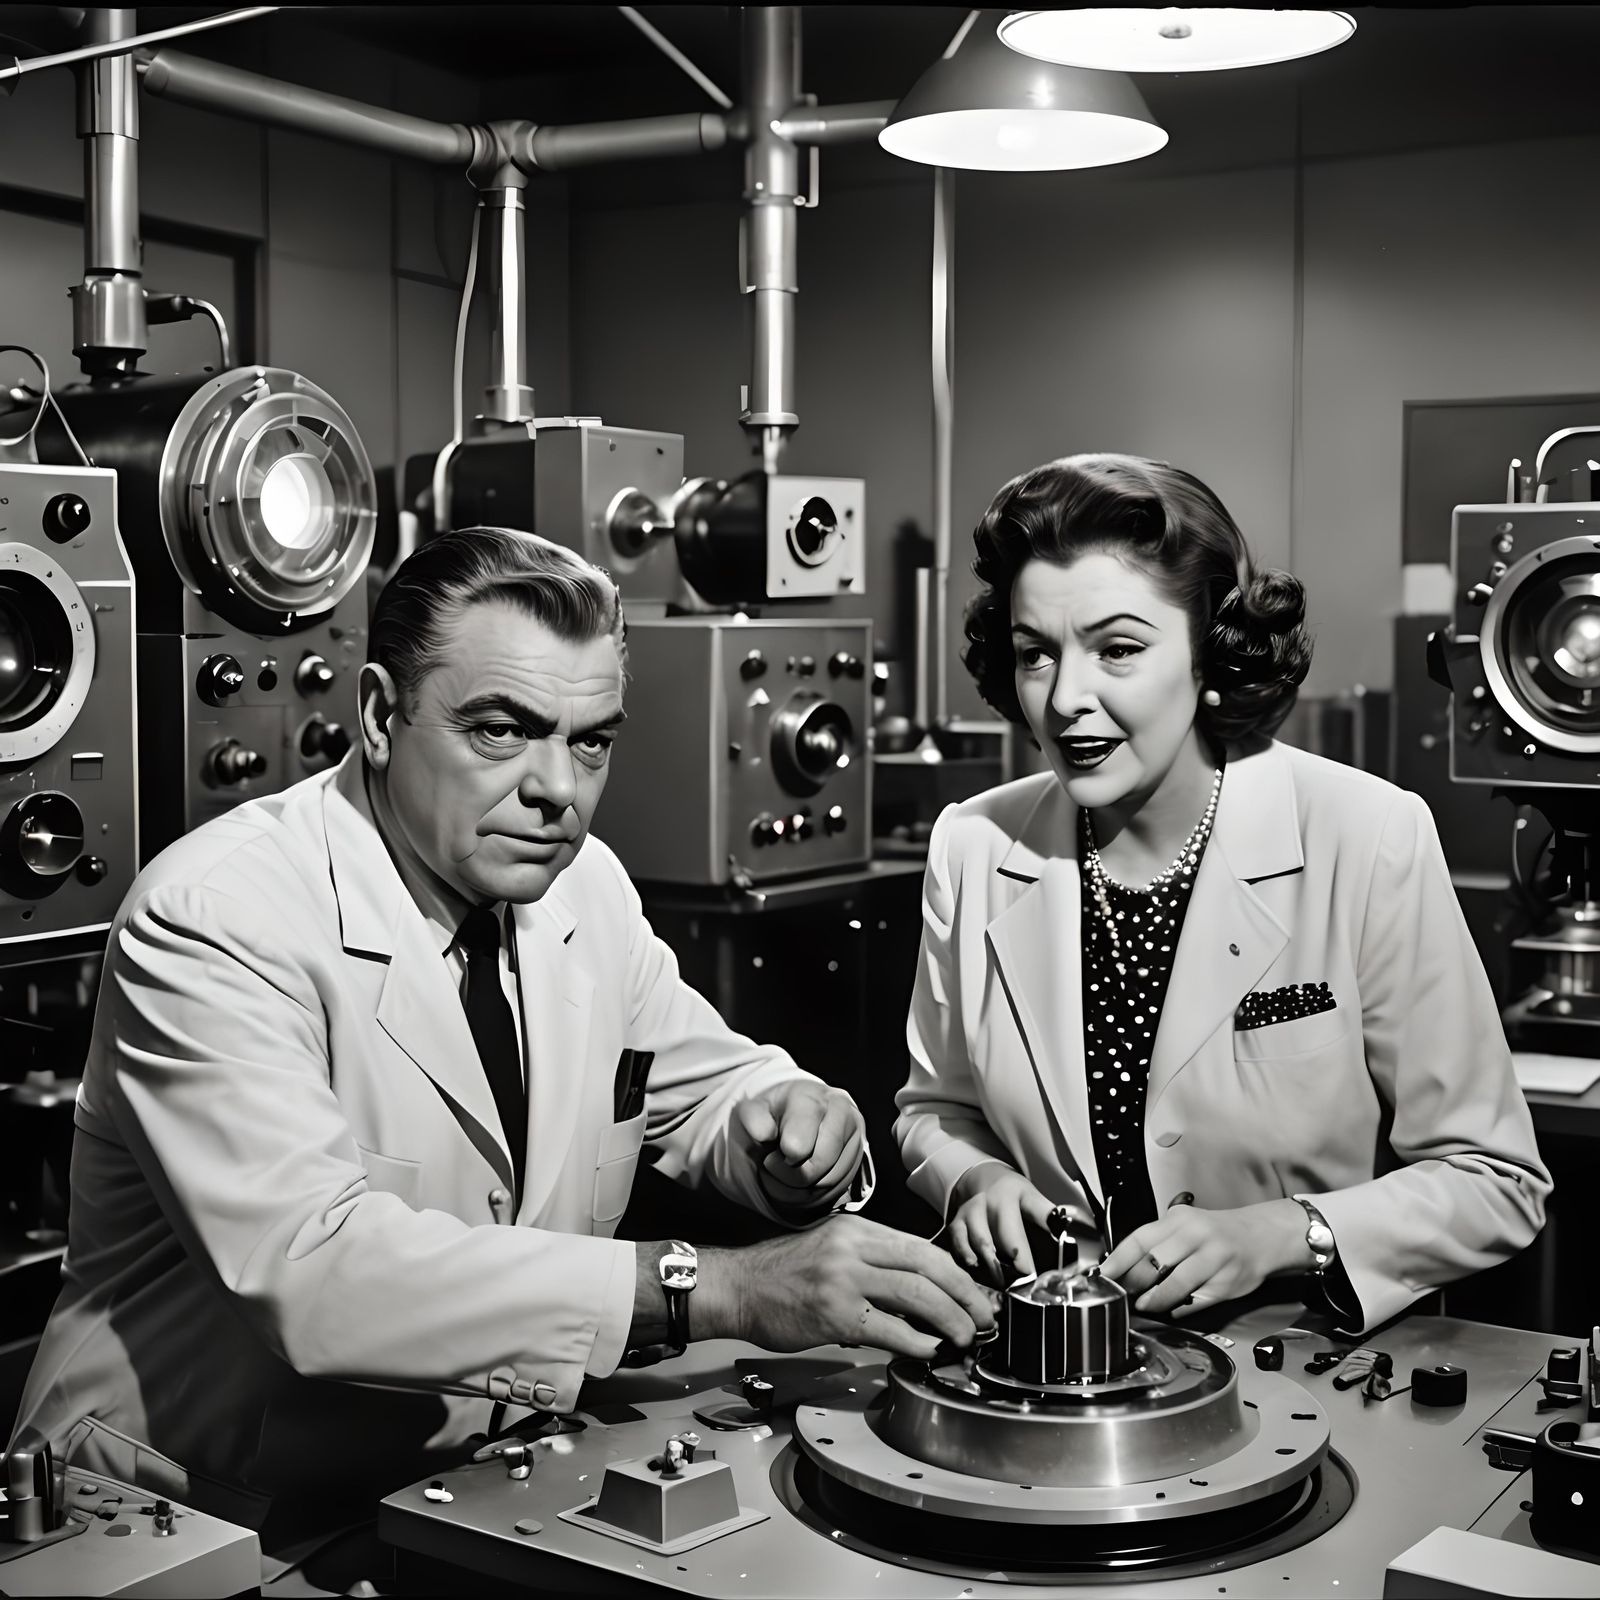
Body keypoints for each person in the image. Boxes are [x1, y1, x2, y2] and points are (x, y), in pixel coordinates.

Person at [14, 526, 993, 1545]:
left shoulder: (584, 887)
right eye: (500, 730)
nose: (558, 789)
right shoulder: (217, 915)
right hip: (202, 1515)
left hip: (461, 1494)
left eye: (590, 741)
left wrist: (790, 1128)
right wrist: (722, 1289)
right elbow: (319, 1273)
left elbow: (703, 1089)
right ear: (380, 716)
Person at [897, 452, 1550, 1334]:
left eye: (1118, 649)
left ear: (1210, 653)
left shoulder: (1367, 834)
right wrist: (973, 1178)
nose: (1066, 698)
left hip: (1300, 1367)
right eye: (1035, 654)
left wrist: (1287, 1232)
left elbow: (1494, 1181)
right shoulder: (973, 845)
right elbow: (935, 1110)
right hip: (1056, 1365)